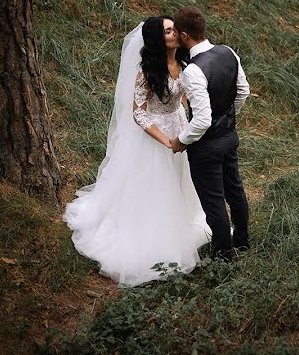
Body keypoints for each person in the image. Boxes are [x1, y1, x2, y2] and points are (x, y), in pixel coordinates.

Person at [63, 17, 210, 286]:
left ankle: (180, 223)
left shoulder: (186, 65)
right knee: (155, 187)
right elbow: (138, 115)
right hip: (155, 135)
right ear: (158, 39)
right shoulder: (147, 71)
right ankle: (153, 236)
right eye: (168, 31)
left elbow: (184, 97)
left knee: (180, 181)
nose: (175, 33)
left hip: (179, 125)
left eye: (174, 28)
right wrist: (165, 140)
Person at [171, 6, 251, 261]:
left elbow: (203, 119)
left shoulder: (193, 70)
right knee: (235, 190)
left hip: (206, 146)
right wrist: (227, 116)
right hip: (229, 136)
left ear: (184, 36)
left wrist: (181, 141)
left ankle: (223, 255)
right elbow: (243, 92)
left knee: (214, 199)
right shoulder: (229, 52)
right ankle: (242, 241)